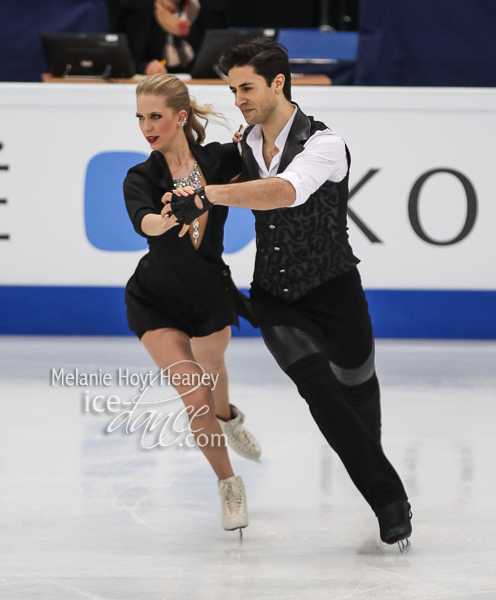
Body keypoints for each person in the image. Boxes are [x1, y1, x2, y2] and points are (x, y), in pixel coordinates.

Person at [164, 39, 413, 552]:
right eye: (232, 90)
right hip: (276, 297)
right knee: (318, 390)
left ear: (279, 82)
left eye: (247, 87)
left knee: (358, 395)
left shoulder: (325, 143)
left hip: (336, 291)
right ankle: (391, 502)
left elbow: (285, 190)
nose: (238, 99)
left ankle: (371, 463)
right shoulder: (245, 142)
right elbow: (200, 168)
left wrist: (207, 194)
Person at [123, 73, 261, 533]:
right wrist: (162, 220)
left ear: (180, 116)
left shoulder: (220, 160)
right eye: (140, 117)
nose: (147, 126)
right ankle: (228, 484)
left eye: (156, 116)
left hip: (209, 296)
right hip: (155, 300)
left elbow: (263, 176)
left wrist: (252, 139)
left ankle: (230, 417)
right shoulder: (141, 176)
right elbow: (144, 221)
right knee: (195, 394)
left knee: (214, 374)